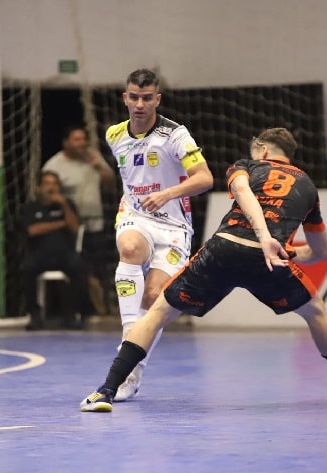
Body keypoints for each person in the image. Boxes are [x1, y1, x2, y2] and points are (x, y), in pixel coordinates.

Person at [81, 127, 327, 412]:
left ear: (263, 150)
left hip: (224, 249)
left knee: (157, 312)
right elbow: (321, 252)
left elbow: (240, 189)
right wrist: (284, 249)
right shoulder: (308, 187)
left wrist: (263, 235)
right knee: (316, 312)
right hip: (268, 261)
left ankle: (106, 391)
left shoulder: (246, 166)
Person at [104, 68, 214, 401]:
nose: (140, 104)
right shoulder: (114, 135)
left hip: (173, 227)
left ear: (157, 99)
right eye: (134, 97)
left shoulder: (176, 135)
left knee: (153, 299)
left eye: (147, 98)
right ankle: (128, 341)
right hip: (135, 215)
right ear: (125, 98)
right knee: (129, 248)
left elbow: (205, 178)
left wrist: (167, 194)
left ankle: (132, 371)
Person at [43, 124, 116, 315]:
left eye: (83, 139)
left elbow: (111, 184)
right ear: (66, 143)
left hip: (96, 223)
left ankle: (104, 308)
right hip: (71, 227)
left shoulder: (93, 157)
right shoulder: (54, 165)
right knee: (81, 269)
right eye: (76, 139)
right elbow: (46, 195)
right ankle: (81, 310)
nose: (81, 143)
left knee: (100, 268)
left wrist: (99, 167)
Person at [19, 170, 90, 330]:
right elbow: (33, 230)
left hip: (64, 254)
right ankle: (34, 315)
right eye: (47, 184)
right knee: (26, 269)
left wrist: (64, 205)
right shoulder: (32, 207)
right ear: (39, 187)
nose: (51, 188)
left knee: (79, 266)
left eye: (54, 184)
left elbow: (75, 227)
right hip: (39, 255)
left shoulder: (67, 205)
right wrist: (60, 224)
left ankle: (72, 314)